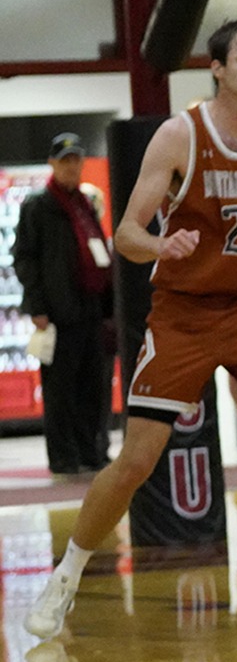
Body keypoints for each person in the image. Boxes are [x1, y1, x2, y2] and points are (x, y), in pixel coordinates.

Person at [24, 19, 237, 638]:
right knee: (136, 459)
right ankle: (66, 580)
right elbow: (129, 235)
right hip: (184, 317)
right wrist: (165, 240)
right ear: (216, 68)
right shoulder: (179, 135)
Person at [15, 133, 115, 479]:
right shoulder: (38, 206)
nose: (72, 166)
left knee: (93, 385)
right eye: (65, 160)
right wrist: (37, 307)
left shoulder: (85, 203)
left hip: (91, 308)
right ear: (53, 164)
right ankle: (63, 457)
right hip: (59, 311)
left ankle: (92, 452)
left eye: (76, 160)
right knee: (60, 388)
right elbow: (25, 259)